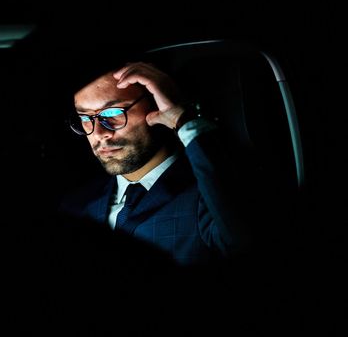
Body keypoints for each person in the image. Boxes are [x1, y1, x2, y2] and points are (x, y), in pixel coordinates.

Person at [59, 56, 258, 267]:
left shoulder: (208, 198)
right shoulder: (75, 205)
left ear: (156, 105)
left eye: (113, 113)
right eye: (85, 117)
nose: (99, 133)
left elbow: (245, 243)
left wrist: (182, 118)